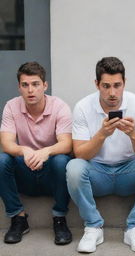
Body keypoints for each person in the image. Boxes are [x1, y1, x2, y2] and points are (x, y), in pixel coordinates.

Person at [66, 57, 135, 253]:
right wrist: (102, 135)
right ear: (96, 84)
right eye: (106, 86)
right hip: (97, 173)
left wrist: (133, 134)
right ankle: (93, 227)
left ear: (124, 83)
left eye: (117, 85)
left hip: (129, 171)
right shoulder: (82, 107)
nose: (112, 93)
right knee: (74, 168)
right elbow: (79, 153)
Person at [0, 62, 73, 245]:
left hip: (51, 174)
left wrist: (45, 152)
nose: (30, 90)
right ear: (19, 87)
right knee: (2, 160)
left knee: (63, 161)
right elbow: (7, 143)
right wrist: (23, 149)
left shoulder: (59, 106)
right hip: (25, 171)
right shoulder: (11, 106)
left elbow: (66, 144)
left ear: (45, 86)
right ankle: (18, 218)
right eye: (25, 85)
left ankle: (59, 218)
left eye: (35, 84)